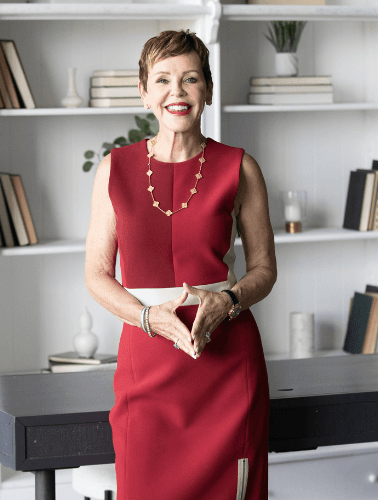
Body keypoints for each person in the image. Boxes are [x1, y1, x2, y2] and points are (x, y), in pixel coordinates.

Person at [85, 30, 277, 499]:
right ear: (144, 92)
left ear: (207, 89)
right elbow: (96, 274)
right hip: (145, 369)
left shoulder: (241, 167)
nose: (177, 91)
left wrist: (228, 299)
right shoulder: (114, 169)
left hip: (227, 365)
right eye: (164, 80)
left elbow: (265, 269)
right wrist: (148, 317)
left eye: (190, 79)